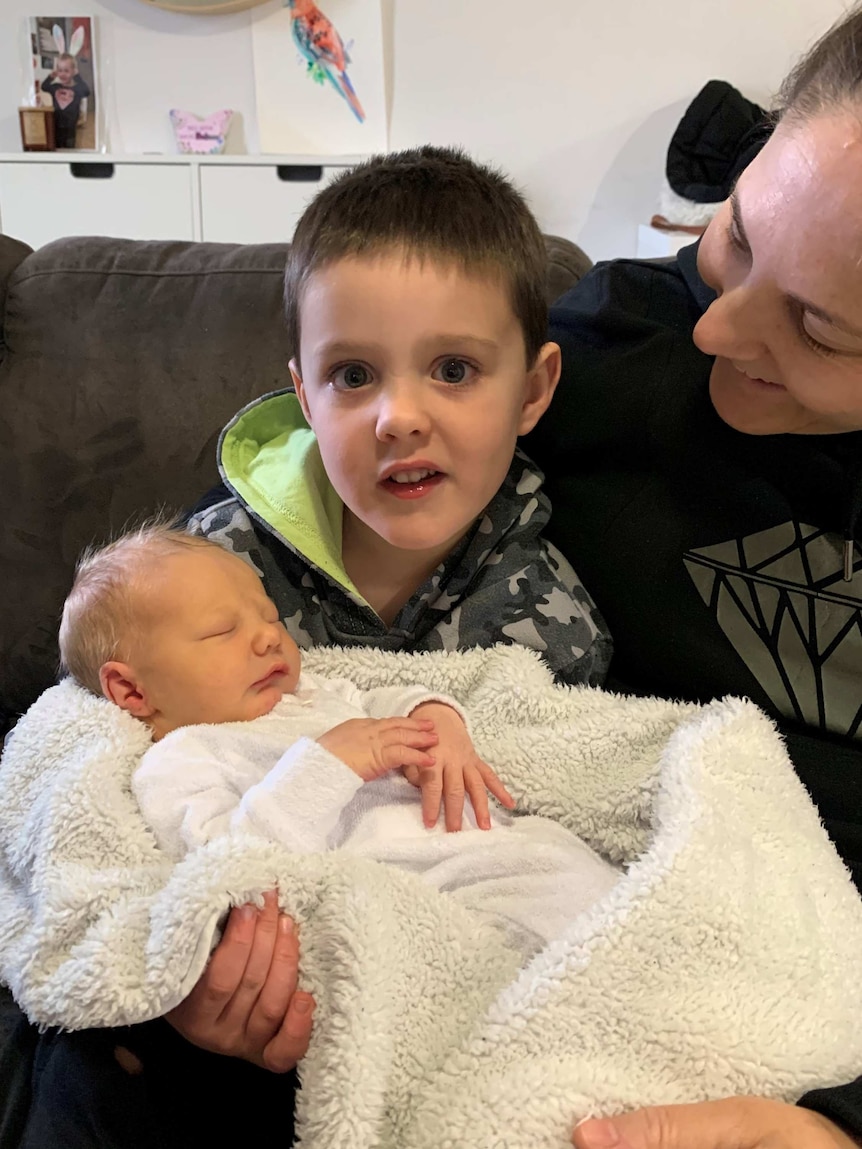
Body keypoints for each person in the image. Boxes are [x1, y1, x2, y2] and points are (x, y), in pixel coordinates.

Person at [4, 145, 611, 1148]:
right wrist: (163, 966)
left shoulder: (548, 611)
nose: (399, 416)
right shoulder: (215, 556)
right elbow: (83, 735)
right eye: (353, 375)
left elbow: (552, 766)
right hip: (237, 943)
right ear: (303, 389)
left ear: (533, 390)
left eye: (453, 369)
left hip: (439, 954)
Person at [531, 8, 862, 1149]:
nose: (717, 327)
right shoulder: (602, 347)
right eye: (735, 238)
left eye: (819, 328)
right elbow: (265, 537)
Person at [58, 524, 619, 961]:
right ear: (131, 689)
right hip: (431, 899)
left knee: (603, 892)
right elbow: (228, 872)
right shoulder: (184, 760)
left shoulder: (308, 695)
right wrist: (327, 765)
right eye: (222, 631)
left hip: (502, 845)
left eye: (270, 617)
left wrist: (436, 719)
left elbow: (388, 698)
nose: (267, 636)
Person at [40, 53, 89, 149]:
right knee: (57, 150)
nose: (63, 74)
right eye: (60, 70)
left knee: (70, 149)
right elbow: (44, 87)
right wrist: (51, 77)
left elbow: (86, 91)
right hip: (56, 127)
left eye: (66, 71)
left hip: (70, 129)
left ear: (73, 72)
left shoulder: (77, 89)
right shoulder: (55, 87)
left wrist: (77, 76)